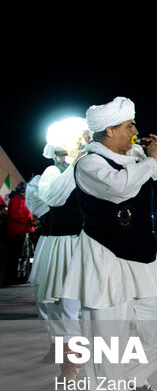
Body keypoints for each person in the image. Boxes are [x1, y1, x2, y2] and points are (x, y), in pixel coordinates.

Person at [61, 97, 157, 391]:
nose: (136, 131)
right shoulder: (88, 164)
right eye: (129, 126)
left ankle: (133, 374)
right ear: (110, 129)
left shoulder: (141, 155)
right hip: (106, 255)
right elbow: (121, 189)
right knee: (105, 331)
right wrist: (150, 162)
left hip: (148, 251)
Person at [30, 119, 89, 377]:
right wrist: (74, 164)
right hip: (58, 243)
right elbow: (48, 201)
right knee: (55, 302)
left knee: (78, 304)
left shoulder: (89, 168)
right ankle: (65, 350)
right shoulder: (52, 173)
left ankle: (75, 355)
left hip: (85, 241)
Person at [4, 181, 35, 285]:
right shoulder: (18, 199)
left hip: (22, 230)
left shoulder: (19, 199)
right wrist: (29, 221)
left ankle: (20, 275)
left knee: (22, 255)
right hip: (19, 231)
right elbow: (16, 215)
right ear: (24, 190)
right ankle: (17, 276)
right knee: (19, 255)